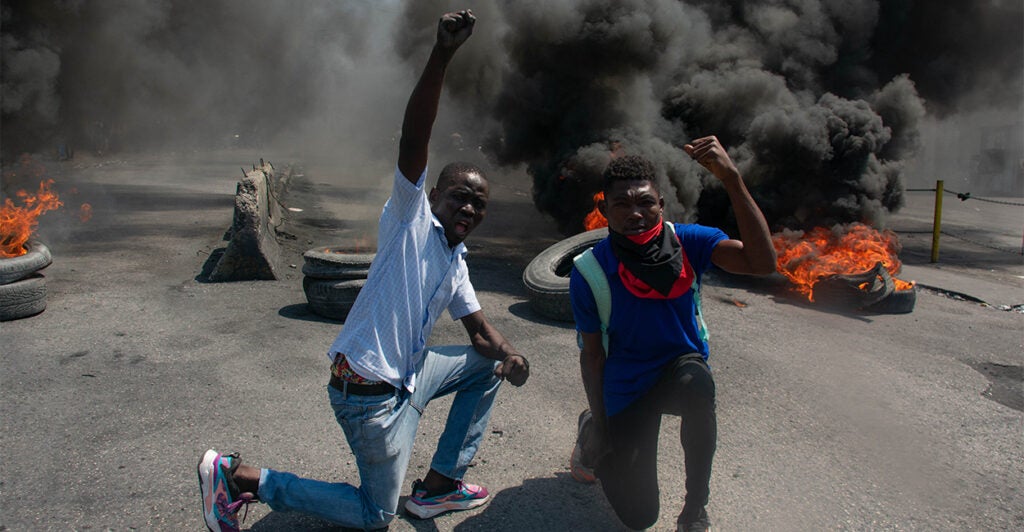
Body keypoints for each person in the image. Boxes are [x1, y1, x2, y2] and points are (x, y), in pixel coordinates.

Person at [197, 10, 530, 532]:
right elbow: (412, 139)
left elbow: (481, 333)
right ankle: (243, 479)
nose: (469, 209)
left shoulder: (453, 259)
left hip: (408, 378)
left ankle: (439, 489)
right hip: (369, 396)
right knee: (375, 515)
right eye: (460, 198)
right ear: (435, 196)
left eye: (478, 205)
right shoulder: (410, 219)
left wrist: (511, 355)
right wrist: (442, 54)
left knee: (485, 365)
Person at [568, 140, 776, 532]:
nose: (636, 214)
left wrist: (732, 179)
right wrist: (602, 425)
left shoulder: (691, 241)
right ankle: (588, 428)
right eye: (622, 205)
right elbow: (593, 357)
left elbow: (762, 263)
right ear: (604, 212)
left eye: (645, 203)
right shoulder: (590, 271)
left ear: (661, 205)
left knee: (698, 384)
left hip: (678, 373)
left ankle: (695, 509)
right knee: (639, 517)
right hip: (627, 387)